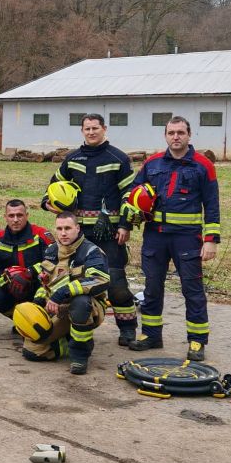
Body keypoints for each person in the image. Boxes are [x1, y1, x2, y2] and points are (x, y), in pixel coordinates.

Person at [125, 116, 221, 362]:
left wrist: (211, 239)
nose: (176, 137)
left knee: (193, 290)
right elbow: (133, 192)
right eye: (171, 133)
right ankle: (151, 335)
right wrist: (131, 213)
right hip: (155, 236)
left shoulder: (203, 165)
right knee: (152, 288)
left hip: (187, 238)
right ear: (165, 136)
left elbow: (211, 204)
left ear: (189, 135)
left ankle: (197, 341)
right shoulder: (152, 163)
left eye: (180, 132)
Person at [42, 113, 140, 346]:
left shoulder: (118, 158)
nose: (91, 132)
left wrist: (125, 225)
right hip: (77, 235)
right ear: (82, 131)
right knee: (68, 279)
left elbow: (130, 194)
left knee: (116, 282)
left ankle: (127, 329)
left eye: (95, 128)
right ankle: (70, 325)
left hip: (109, 233)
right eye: (87, 128)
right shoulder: (72, 158)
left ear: (104, 129)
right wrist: (46, 201)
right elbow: (54, 186)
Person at [28, 212, 110, 374]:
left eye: (68, 228)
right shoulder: (52, 250)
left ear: (77, 228)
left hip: (87, 308)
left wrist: (61, 294)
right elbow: (45, 282)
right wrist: (38, 302)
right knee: (32, 351)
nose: (63, 233)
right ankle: (67, 340)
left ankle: (80, 354)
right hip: (56, 308)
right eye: (59, 229)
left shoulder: (91, 251)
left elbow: (100, 279)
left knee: (81, 303)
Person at [0, 200, 53, 321]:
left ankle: (41, 319)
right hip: (14, 287)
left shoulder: (41, 235)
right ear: (5, 217)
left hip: (39, 285)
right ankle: (19, 319)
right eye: (11, 216)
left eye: (19, 215)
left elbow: (52, 261)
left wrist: (29, 273)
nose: (15, 220)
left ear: (27, 215)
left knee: (48, 295)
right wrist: (8, 284)